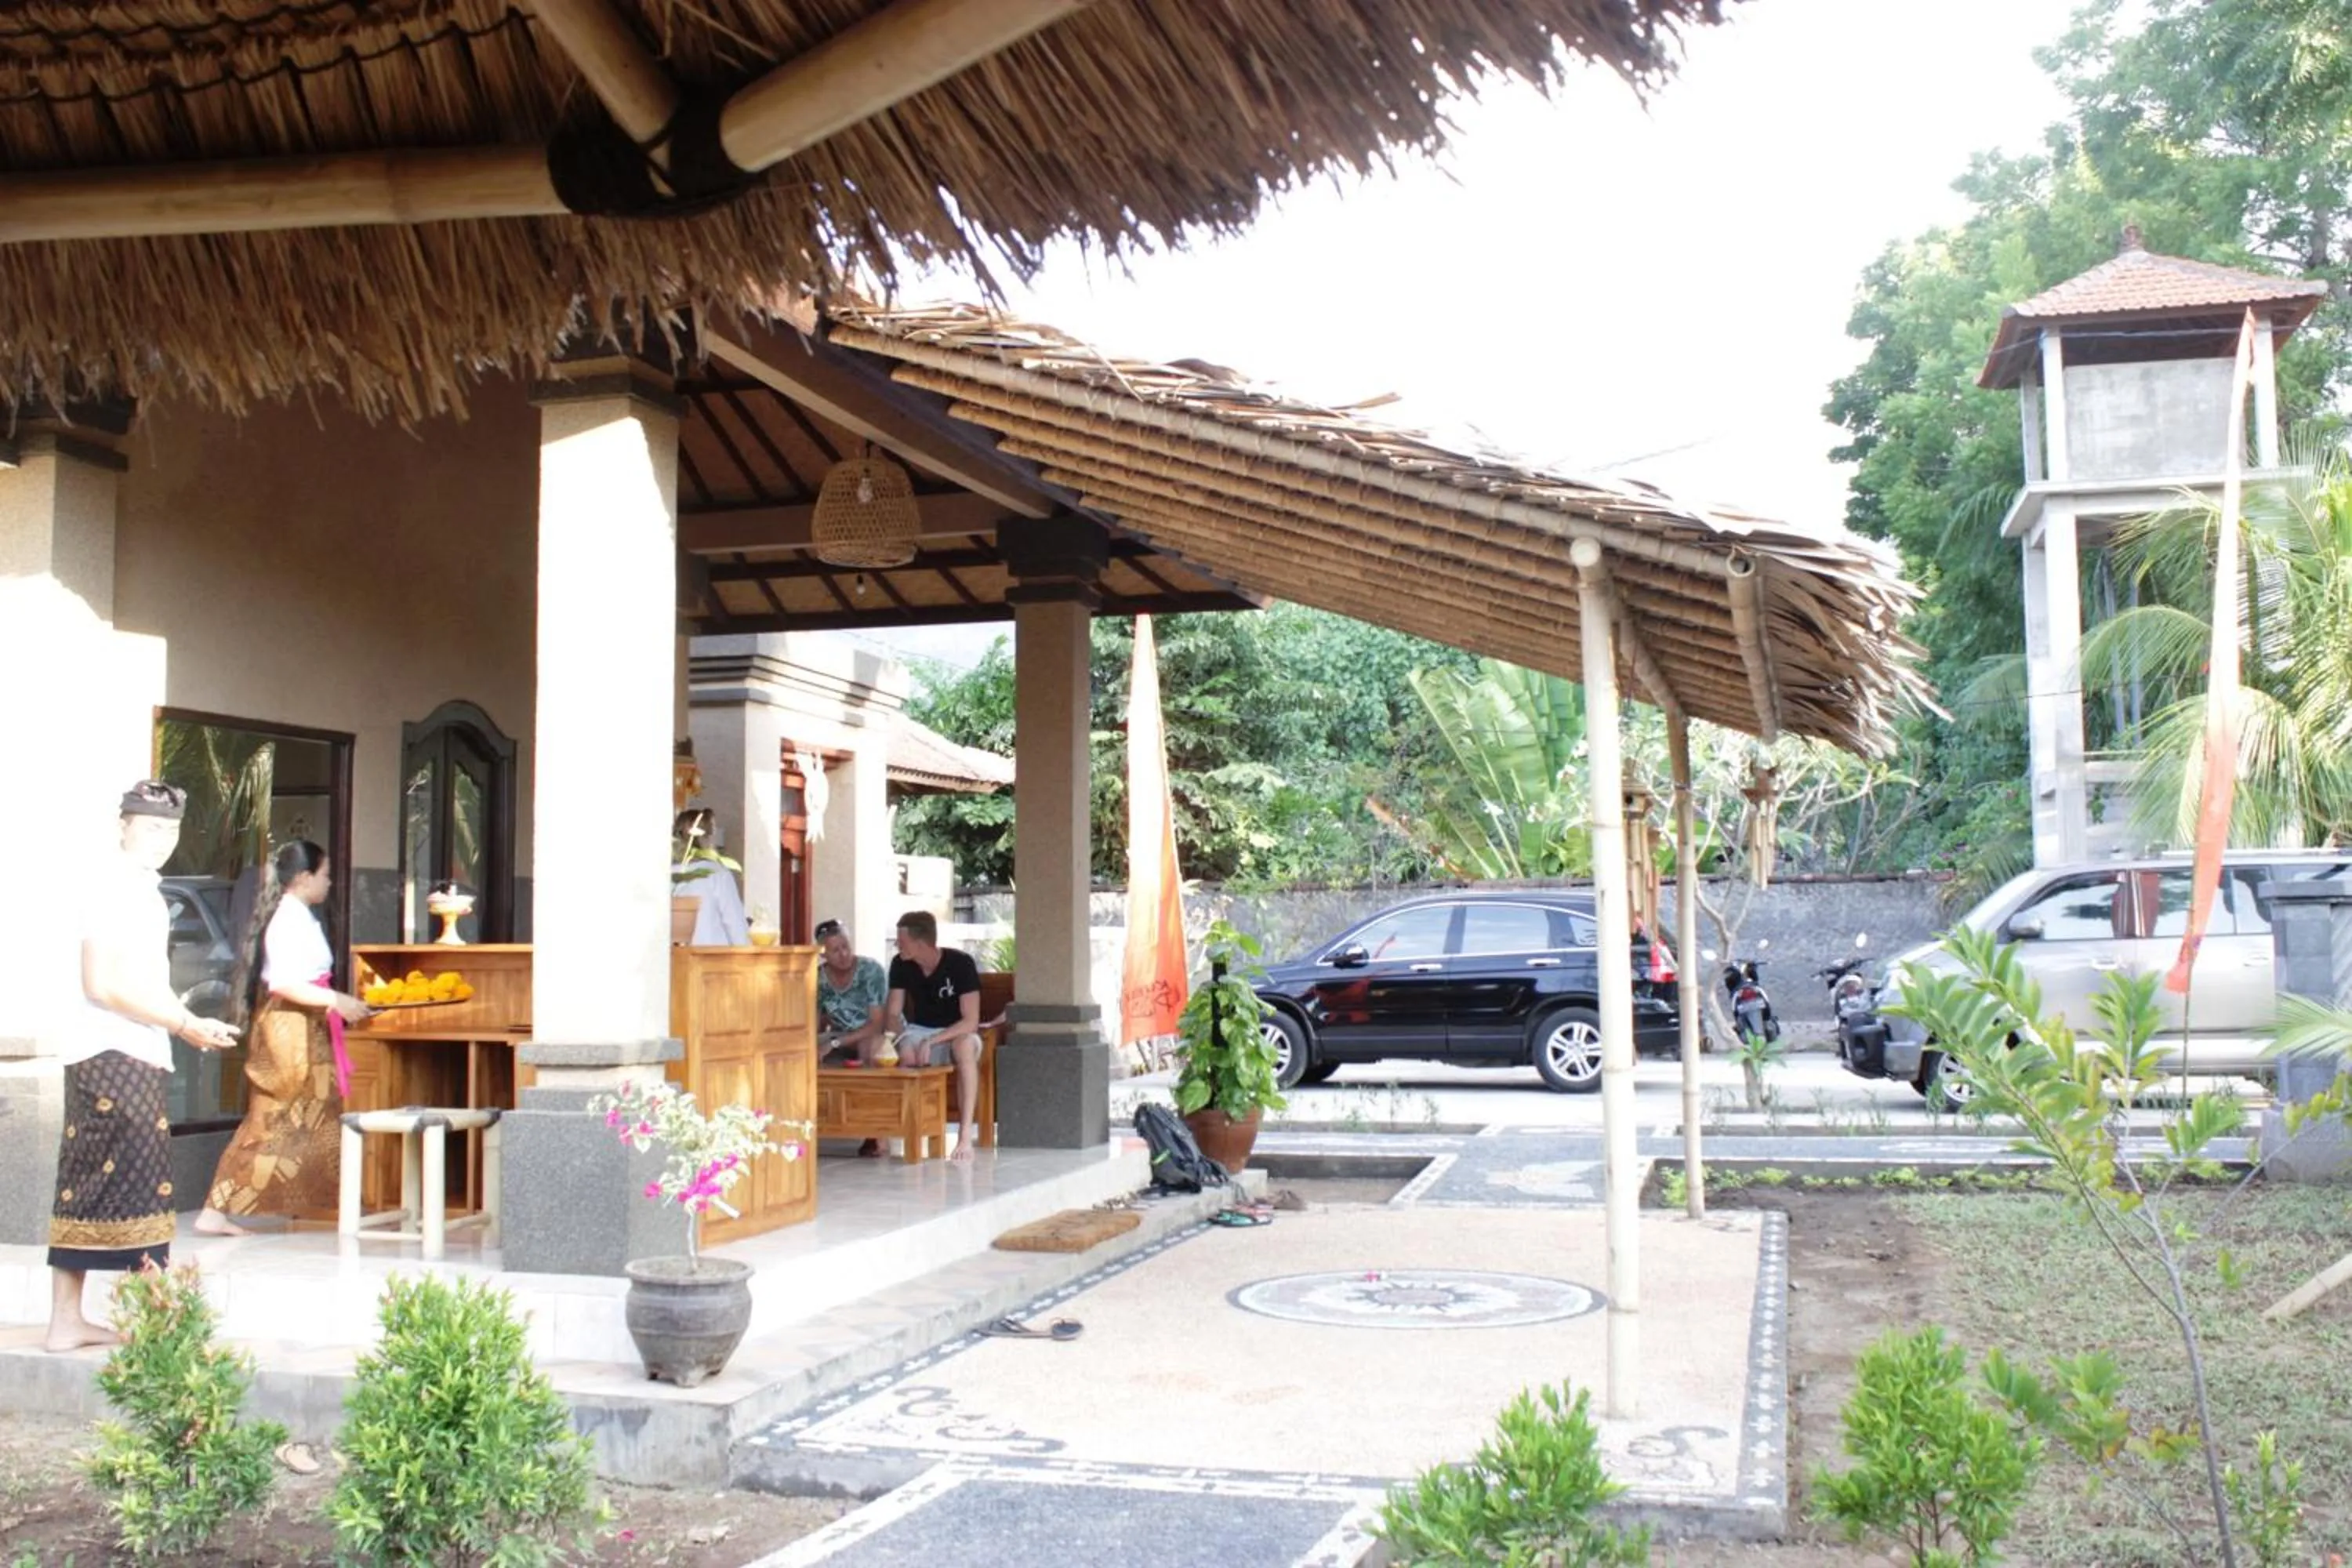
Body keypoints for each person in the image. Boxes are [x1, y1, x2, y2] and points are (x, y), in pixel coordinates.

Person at [48, 780, 241, 1352]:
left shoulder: (142, 889)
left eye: (171, 829)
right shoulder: (112, 886)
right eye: (151, 827)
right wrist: (183, 1023)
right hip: (111, 1050)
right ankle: (149, 1322)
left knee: (114, 1182)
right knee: (127, 1182)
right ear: (123, 825)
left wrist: (182, 1023)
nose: (162, 840)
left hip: (133, 1048)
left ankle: (74, 1319)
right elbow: (101, 984)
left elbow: (139, 982)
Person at [197, 839, 372, 1235]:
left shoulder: (300, 916)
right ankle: (215, 1210)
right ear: (305, 878)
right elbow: (285, 982)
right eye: (325, 876)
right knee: (271, 1118)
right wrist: (336, 999)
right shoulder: (287, 919)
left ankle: (333, 1204)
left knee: (317, 1118)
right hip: (289, 1030)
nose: (329, 883)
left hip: (307, 1026)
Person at [882, 909, 985, 1163]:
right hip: (919, 1031)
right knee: (899, 1051)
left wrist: (934, 1041)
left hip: (958, 1032)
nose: (897, 945)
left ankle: (963, 1136)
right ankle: (906, 1131)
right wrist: (900, 1040)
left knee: (963, 1048)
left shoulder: (961, 964)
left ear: (920, 943)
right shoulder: (900, 964)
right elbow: (893, 1013)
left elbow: (970, 1020)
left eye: (902, 941)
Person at [814, 917, 891, 1157]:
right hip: (839, 1034)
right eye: (835, 950)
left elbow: (876, 1024)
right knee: (802, 1050)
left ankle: (876, 1132)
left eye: (846, 946)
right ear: (823, 954)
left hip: (873, 1034)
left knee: (869, 1046)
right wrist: (814, 1043)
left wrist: (834, 1043)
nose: (844, 954)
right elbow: (813, 1021)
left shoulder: (870, 970)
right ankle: (816, 1121)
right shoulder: (818, 977)